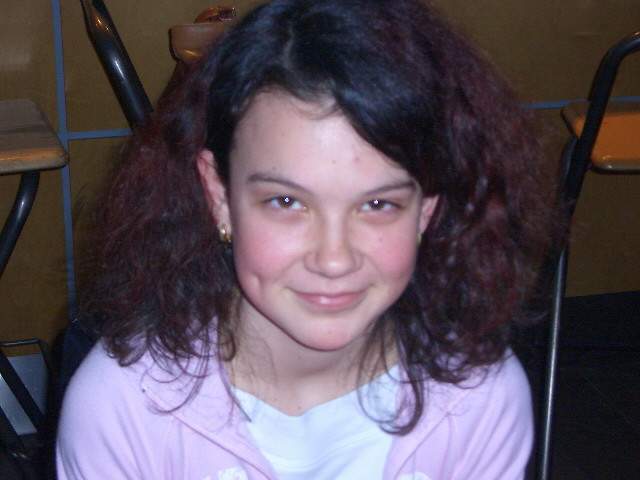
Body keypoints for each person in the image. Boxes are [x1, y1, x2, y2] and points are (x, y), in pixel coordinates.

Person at [56, 0, 554, 478]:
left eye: (378, 204)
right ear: (219, 195)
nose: (333, 259)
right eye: (286, 202)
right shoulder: (124, 409)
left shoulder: (479, 401)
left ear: (427, 208)